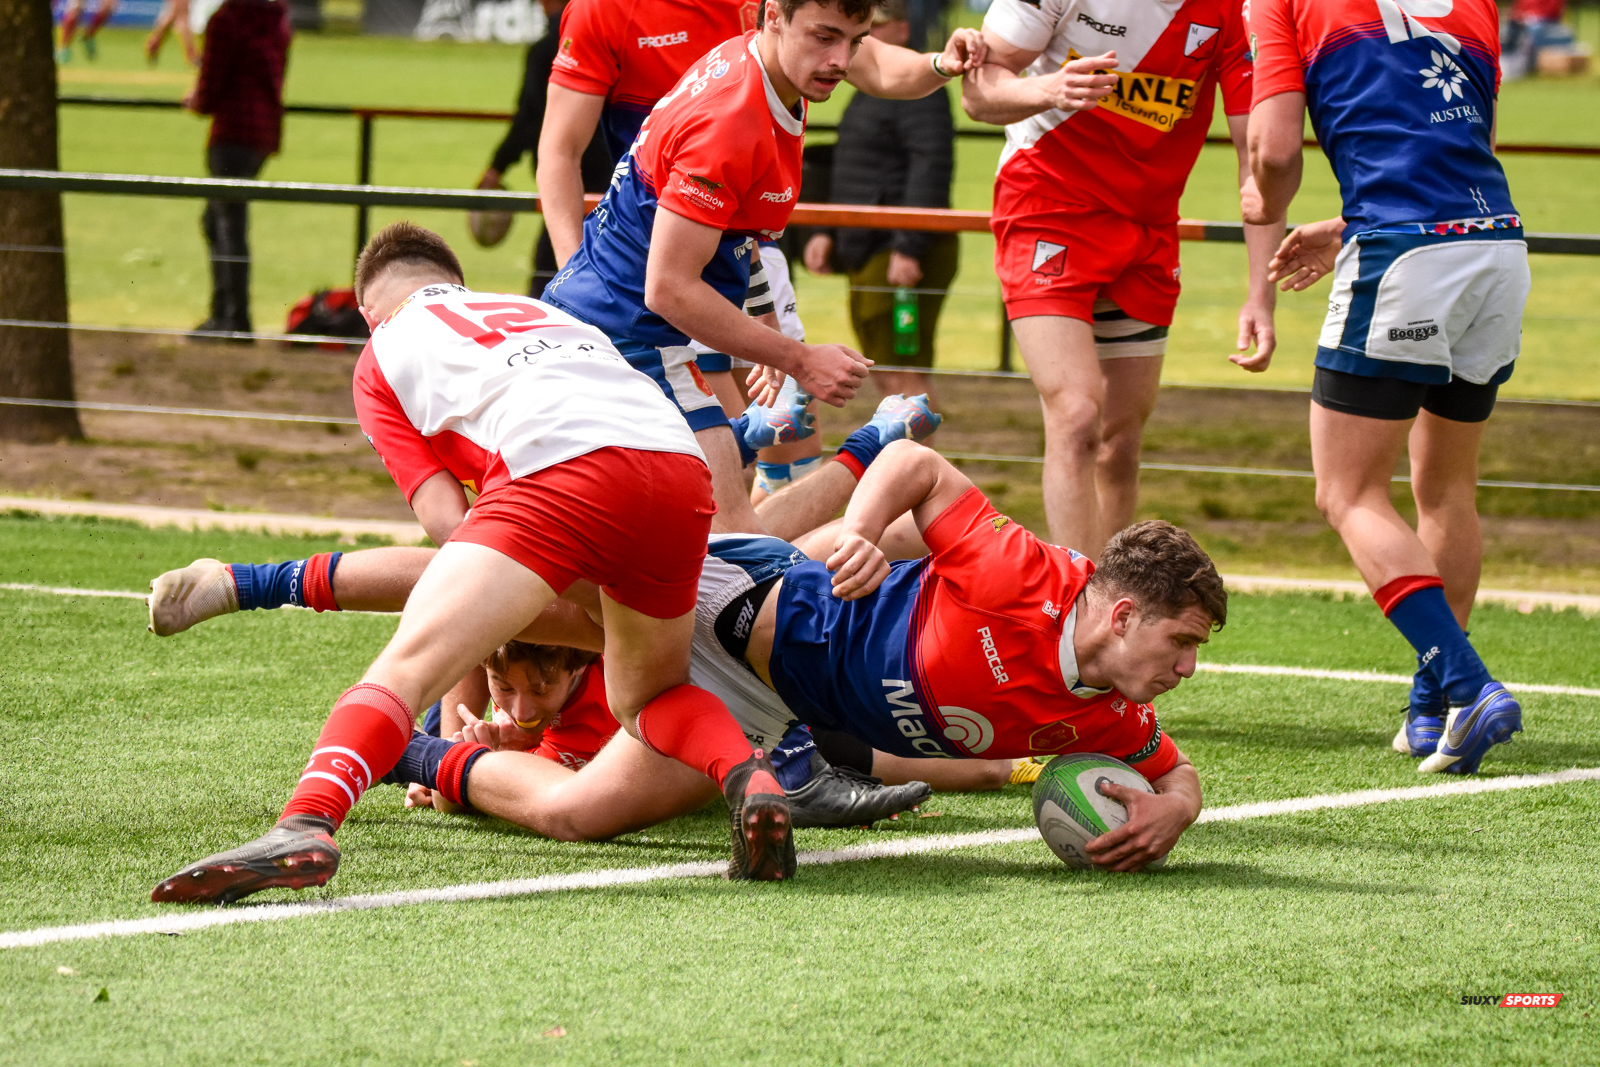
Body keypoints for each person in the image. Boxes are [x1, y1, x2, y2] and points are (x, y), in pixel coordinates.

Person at [150, 221, 796, 905]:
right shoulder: (544, 313)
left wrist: (494, 618)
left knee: (407, 664)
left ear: (372, 312)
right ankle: (749, 780)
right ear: (454, 281)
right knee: (650, 695)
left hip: (556, 466)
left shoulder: (384, 352)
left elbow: (447, 528)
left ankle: (307, 820)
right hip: (677, 469)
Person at [540, 0, 986, 533]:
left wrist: (769, 333)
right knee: (736, 552)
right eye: (825, 37)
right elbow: (668, 288)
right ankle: (880, 455)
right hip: (638, 336)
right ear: (772, 15)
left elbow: (736, 239)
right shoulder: (732, 118)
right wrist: (800, 359)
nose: (842, 60)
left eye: (857, 40)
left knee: (666, 554)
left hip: (637, 325)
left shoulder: (762, 70)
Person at [1246, 0, 1526, 775]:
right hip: (1494, 244)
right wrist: (1346, 222)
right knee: (1447, 489)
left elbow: (1272, 150)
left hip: (1403, 255)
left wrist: (1263, 206)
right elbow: (1465, 141)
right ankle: (1431, 708)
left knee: (1348, 493)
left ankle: (1469, 687)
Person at [960, 0, 1281, 559]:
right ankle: (1078, 611)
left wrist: (1261, 294)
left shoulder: (1233, 11)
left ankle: (1107, 610)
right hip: (1048, 207)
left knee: (1119, 444)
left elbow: (1259, 163)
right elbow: (978, 92)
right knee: (1077, 415)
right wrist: (1049, 90)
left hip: (1148, 231)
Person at [803, 1, 957, 408]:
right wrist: (825, 228)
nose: (864, 37)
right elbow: (853, 163)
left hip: (898, 248)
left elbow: (932, 167)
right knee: (884, 366)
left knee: (904, 371)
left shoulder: (920, 92)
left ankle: (918, 462)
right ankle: (907, 456)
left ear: (903, 31)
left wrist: (909, 247)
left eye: (873, 28)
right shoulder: (869, 89)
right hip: (867, 244)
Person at [476, 0, 612, 297]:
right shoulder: (609, 37)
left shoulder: (545, 51)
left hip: (572, 174)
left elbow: (528, 120)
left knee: (551, 264)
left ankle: (550, 324)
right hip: (620, 170)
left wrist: (498, 165)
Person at [181, 0, 293, 339]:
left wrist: (196, 100)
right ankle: (230, 314)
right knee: (221, 220)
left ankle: (231, 318)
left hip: (231, 131)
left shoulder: (225, 21)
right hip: (264, 130)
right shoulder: (277, 20)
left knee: (226, 224)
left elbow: (211, 86)